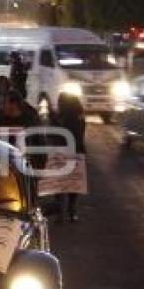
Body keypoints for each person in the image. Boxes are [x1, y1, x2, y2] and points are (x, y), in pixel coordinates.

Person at [52, 93, 86, 223]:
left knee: (59, 185)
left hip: (61, 152)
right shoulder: (79, 117)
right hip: (76, 151)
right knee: (73, 186)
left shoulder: (61, 118)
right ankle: (71, 211)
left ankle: (60, 212)